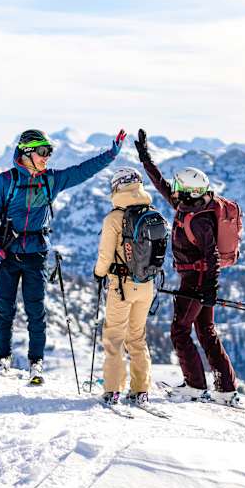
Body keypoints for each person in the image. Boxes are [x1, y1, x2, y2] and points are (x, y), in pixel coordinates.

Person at [0, 128, 126, 384]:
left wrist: (111, 155)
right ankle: (3, 359)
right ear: (27, 152)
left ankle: (35, 362)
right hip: (8, 254)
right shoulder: (5, 181)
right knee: (5, 310)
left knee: (36, 311)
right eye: (42, 152)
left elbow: (82, 171)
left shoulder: (50, 180)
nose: (46, 157)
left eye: (49, 152)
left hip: (36, 254)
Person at [134, 128, 238, 401]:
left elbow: (211, 255)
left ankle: (194, 385)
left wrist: (209, 290)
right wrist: (146, 159)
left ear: (190, 191)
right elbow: (161, 185)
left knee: (180, 330)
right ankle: (225, 389)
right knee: (205, 331)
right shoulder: (186, 206)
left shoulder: (200, 219)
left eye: (180, 187)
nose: (175, 190)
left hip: (196, 282)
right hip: (196, 281)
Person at [93, 167, 155, 405]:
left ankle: (113, 390)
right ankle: (141, 390)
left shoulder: (114, 218)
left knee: (114, 338)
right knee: (137, 338)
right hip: (146, 285)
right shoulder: (151, 212)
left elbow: (105, 255)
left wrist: (99, 274)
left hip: (121, 286)